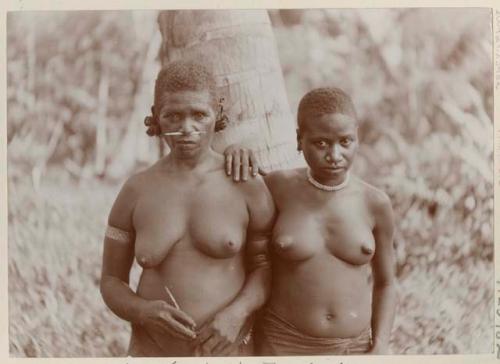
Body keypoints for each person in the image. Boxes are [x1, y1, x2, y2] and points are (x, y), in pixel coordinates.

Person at [100, 60, 275, 357]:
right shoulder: (135, 190)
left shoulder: (245, 183)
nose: (186, 128)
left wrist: (236, 314)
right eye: (173, 116)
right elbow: (111, 281)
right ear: (156, 116)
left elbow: (267, 266)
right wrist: (142, 310)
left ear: (216, 113)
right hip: (151, 351)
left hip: (229, 350)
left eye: (199, 115)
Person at [224, 87, 397, 355]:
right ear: (299, 139)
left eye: (346, 141)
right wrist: (234, 151)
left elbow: (387, 282)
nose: (335, 155)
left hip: (354, 349)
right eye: (321, 143)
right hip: (282, 344)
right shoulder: (276, 189)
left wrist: (381, 345)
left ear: (357, 140)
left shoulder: (375, 204)